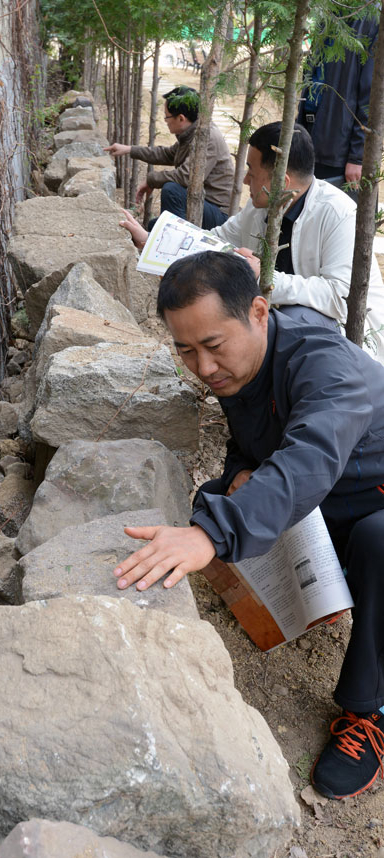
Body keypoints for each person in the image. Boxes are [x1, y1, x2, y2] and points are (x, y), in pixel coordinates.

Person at [113, 250, 384, 801]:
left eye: (214, 346)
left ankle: (368, 711)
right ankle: (300, 605)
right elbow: (250, 444)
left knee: (379, 543)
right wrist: (238, 472)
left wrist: (210, 534)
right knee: (218, 496)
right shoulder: (247, 365)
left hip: (370, 499)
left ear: (259, 312)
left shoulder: (328, 366)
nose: (204, 368)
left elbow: (307, 458)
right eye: (186, 351)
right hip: (332, 499)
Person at [120, 120, 384, 361]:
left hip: (344, 344)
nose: (245, 179)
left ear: (282, 181)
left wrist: (264, 278)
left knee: (289, 320)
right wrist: (152, 242)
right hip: (277, 322)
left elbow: (340, 298)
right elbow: (214, 244)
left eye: (251, 171)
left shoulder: (338, 214)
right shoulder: (259, 207)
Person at [104, 85, 234, 229]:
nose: (165, 120)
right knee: (154, 226)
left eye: (167, 116)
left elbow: (185, 177)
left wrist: (151, 180)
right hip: (201, 204)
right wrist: (129, 149)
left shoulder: (206, 137)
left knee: (171, 190)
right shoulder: (192, 133)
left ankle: (176, 244)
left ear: (181, 118)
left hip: (218, 213)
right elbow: (167, 154)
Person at [297, 14, 379, 195]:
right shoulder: (328, 14)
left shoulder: (372, 20)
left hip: (337, 149)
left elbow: (371, 98)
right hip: (308, 136)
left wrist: (358, 157)